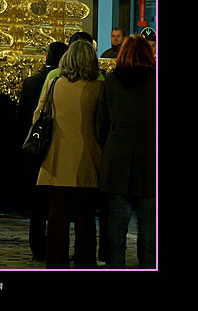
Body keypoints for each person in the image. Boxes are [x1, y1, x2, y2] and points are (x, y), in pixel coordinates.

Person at [33, 40, 104, 269]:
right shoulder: (100, 88)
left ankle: (56, 262)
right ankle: (85, 261)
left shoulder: (54, 84)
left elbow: (38, 117)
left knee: (57, 218)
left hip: (57, 158)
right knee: (85, 217)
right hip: (89, 158)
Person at [96, 35, 156, 269]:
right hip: (150, 157)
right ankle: (149, 265)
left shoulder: (111, 81)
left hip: (117, 156)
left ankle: (116, 265)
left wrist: (108, 146)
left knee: (116, 224)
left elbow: (101, 122)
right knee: (149, 223)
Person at [17, 41, 68, 261]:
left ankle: (37, 245)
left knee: (37, 201)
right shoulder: (64, 81)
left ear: (47, 56)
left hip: (36, 145)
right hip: (59, 145)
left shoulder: (31, 82)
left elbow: (23, 116)